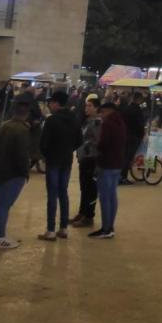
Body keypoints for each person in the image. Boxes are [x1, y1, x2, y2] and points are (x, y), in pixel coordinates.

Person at [0, 101, 32, 250]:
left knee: (1, 204)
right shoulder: (22, 130)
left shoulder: (4, 125)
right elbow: (21, 154)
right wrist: (25, 171)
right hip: (12, 173)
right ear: (27, 114)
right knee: (4, 205)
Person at [38, 90, 81, 241]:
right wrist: (69, 149)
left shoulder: (52, 120)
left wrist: (47, 154)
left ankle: (50, 230)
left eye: (50, 102)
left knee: (52, 194)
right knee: (63, 193)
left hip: (53, 161)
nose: (49, 105)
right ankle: (63, 228)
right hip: (66, 161)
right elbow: (79, 141)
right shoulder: (74, 119)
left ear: (56, 103)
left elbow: (43, 143)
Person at [91, 101, 126, 238]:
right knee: (112, 196)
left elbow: (103, 144)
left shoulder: (108, 124)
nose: (102, 115)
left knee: (104, 197)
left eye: (103, 112)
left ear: (108, 111)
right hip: (117, 164)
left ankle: (106, 228)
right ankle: (110, 226)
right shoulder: (121, 123)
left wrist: (96, 146)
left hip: (106, 164)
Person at [71, 96, 102, 228]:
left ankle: (89, 216)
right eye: (86, 106)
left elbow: (97, 141)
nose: (87, 108)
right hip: (84, 158)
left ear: (96, 108)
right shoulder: (88, 121)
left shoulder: (97, 123)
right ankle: (82, 212)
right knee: (84, 188)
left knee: (90, 189)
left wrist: (86, 146)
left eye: (90, 106)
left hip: (91, 158)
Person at [119, 94, 146, 185]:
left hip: (125, 135)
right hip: (134, 136)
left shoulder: (127, 109)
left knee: (125, 156)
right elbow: (140, 124)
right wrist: (142, 133)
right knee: (128, 157)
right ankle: (123, 177)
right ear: (139, 99)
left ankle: (121, 176)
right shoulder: (137, 110)